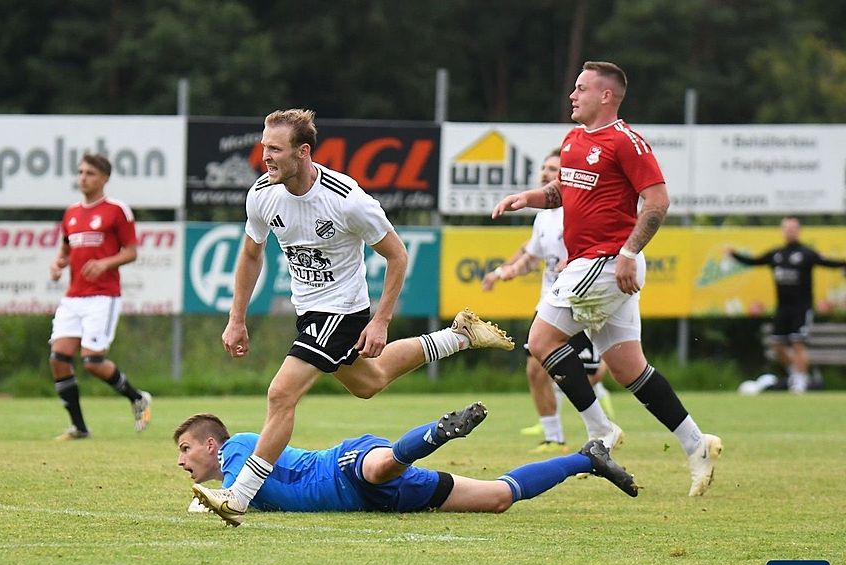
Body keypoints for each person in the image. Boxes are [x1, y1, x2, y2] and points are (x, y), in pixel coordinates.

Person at [199, 108, 514, 525]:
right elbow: (251, 254)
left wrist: (380, 320)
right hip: (309, 311)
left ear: (303, 151)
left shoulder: (347, 199)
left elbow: (397, 256)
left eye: (274, 149)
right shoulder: (262, 193)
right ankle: (460, 337)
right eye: (263, 146)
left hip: (342, 312)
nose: (265, 157)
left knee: (281, 393)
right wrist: (236, 318)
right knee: (371, 381)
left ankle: (239, 496)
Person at [491, 61, 723, 496]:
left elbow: (658, 202)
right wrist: (528, 198)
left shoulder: (627, 142)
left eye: (581, 88)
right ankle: (697, 444)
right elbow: (564, 191)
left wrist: (630, 253)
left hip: (606, 262)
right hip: (594, 263)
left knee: (541, 342)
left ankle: (602, 431)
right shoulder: (574, 139)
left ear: (606, 96)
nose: (572, 95)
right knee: (626, 368)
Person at [176, 402, 638, 526]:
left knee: (380, 467)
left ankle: (437, 432)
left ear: (213, 444)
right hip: (384, 502)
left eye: (186, 448)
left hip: (342, 466)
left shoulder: (238, 448)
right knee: (498, 498)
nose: (181, 460)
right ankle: (587, 458)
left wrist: (203, 504)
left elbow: (226, 503)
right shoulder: (236, 476)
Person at [482, 147, 615, 453]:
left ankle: (602, 418)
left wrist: (577, 261)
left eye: (553, 169)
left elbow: (603, 244)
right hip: (551, 301)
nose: (545, 173)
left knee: (593, 372)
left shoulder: (580, 212)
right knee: (534, 367)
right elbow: (531, 257)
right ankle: (553, 437)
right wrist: (503, 272)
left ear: (567, 176)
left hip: (583, 300)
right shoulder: (544, 216)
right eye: (543, 168)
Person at [48, 153, 152, 440]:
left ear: (104, 178)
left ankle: (137, 398)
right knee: (58, 358)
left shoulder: (117, 211)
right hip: (73, 297)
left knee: (92, 361)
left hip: (102, 297)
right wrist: (58, 264)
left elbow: (131, 251)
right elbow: (66, 250)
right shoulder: (71, 213)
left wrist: (105, 263)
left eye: (90, 173)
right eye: (80, 172)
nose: (83, 177)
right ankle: (79, 428)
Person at [727, 217, 846, 394]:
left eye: (793, 228)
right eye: (787, 228)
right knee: (777, 345)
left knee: (798, 342)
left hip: (802, 307)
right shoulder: (776, 254)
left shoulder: (807, 254)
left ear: (798, 230)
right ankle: (794, 374)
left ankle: (801, 381)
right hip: (783, 308)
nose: (790, 231)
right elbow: (755, 261)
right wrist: (733, 255)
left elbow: (829, 263)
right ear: (783, 230)